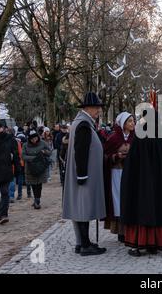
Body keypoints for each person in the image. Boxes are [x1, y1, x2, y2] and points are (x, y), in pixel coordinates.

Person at [120, 108, 162, 256]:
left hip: (141, 185)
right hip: (160, 186)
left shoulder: (139, 139)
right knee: (157, 208)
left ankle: (140, 244)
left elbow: (131, 165)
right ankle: (155, 244)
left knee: (141, 210)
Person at [62, 92, 107, 256]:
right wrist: (82, 175)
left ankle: (82, 243)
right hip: (84, 175)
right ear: (88, 108)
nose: (98, 111)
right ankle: (85, 245)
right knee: (83, 209)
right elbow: (80, 152)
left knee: (82, 208)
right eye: (97, 108)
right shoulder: (83, 125)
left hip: (83, 174)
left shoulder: (82, 123)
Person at [103, 112, 135, 242]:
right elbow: (105, 156)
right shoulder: (113, 139)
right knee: (118, 201)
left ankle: (131, 230)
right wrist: (116, 156)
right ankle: (120, 231)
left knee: (130, 199)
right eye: (130, 121)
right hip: (117, 173)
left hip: (132, 174)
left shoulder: (136, 137)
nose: (133, 123)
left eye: (133, 121)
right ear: (123, 124)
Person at [22, 130, 51, 209]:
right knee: (33, 184)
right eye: (32, 139)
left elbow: (49, 152)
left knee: (39, 184)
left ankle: (37, 200)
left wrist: (44, 152)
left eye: (35, 138)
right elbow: (23, 156)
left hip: (41, 167)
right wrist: (34, 158)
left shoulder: (43, 143)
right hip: (30, 168)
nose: (34, 140)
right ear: (29, 139)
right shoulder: (25, 145)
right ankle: (36, 199)